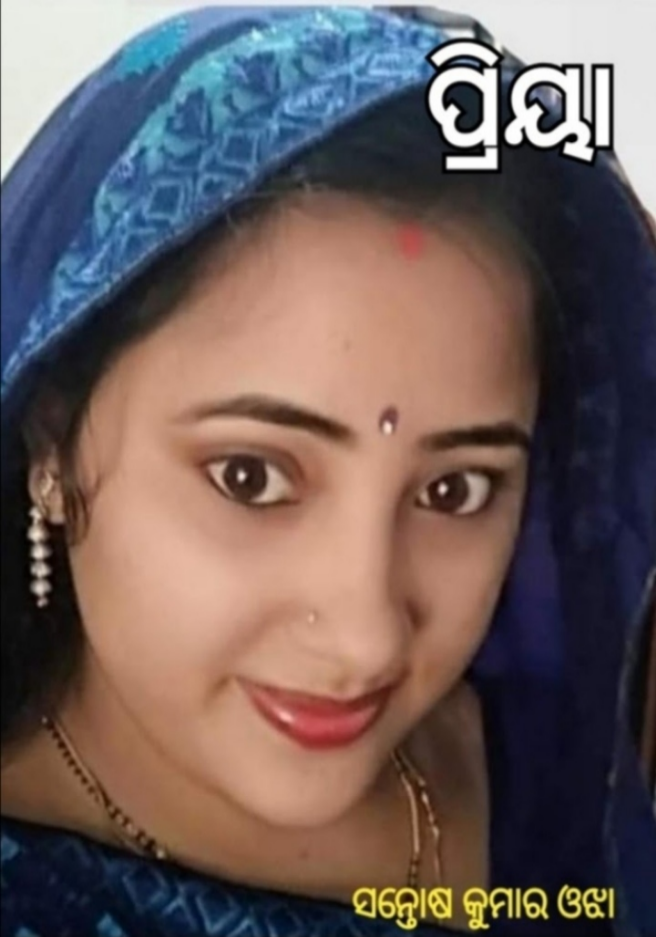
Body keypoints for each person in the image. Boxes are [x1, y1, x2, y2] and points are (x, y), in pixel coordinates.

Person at [1, 7, 654, 937]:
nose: (365, 637)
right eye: (251, 477)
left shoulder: (568, 724)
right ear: (51, 439)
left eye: (455, 489)